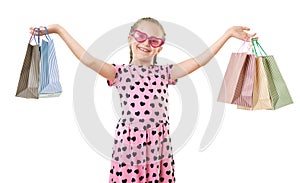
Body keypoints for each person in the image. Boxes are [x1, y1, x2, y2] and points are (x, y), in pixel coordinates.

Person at [31, 17, 256, 183]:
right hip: (129, 146)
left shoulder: (166, 73)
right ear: (130, 39)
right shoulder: (118, 72)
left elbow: (200, 61)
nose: (146, 43)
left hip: (159, 146)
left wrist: (226, 35)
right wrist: (59, 30)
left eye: (154, 40)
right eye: (140, 36)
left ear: (159, 47)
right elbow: (88, 60)